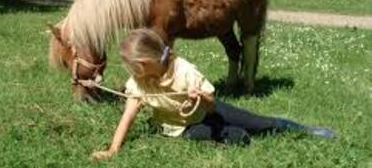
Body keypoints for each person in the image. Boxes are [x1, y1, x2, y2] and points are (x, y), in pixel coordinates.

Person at [91, 28, 334, 160]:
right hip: (184, 129)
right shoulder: (139, 82)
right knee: (238, 137)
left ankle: (306, 130)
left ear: (143, 63)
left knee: (260, 122)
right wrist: (113, 149)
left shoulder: (184, 71)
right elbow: (128, 116)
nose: (130, 71)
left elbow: (210, 105)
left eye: (131, 65)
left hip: (209, 110)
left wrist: (201, 98)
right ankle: (236, 135)